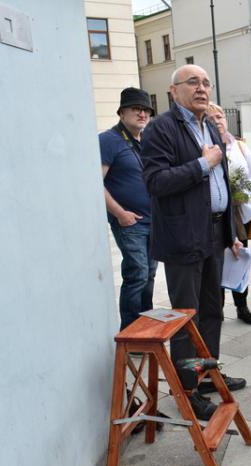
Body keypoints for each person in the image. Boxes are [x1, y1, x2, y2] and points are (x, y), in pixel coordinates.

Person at [141, 65, 246, 421]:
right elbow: (156, 181)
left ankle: (205, 374)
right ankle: (186, 388)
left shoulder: (209, 126)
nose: (201, 88)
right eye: (193, 82)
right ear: (174, 91)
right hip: (183, 237)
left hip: (214, 233)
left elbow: (222, 185)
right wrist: (204, 163)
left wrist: (231, 231)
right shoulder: (160, 128)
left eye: (205, 82)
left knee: (213, 309)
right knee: (187, 316)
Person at [99, 87, 158, 331]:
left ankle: (146, 326)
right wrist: (119, 213)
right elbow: (95, 182)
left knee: (149, 275)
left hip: (152, 221)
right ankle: (132, 331)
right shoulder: (109, 140)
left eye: (146, 110)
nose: (142, 114)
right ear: (122, 112)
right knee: (138, 274)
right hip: (129, 222)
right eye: (136, 109)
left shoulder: (144, 140)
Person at [206, 102, 251, 325]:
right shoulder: (202, 147)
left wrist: (240, 192)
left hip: (239, 214)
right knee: (216, 263)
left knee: (239, 257)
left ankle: (242, 306)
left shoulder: (239, 146)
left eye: (219, 117)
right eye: (211, 118)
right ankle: (216, 310)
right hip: (214, 215)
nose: (217, 121)